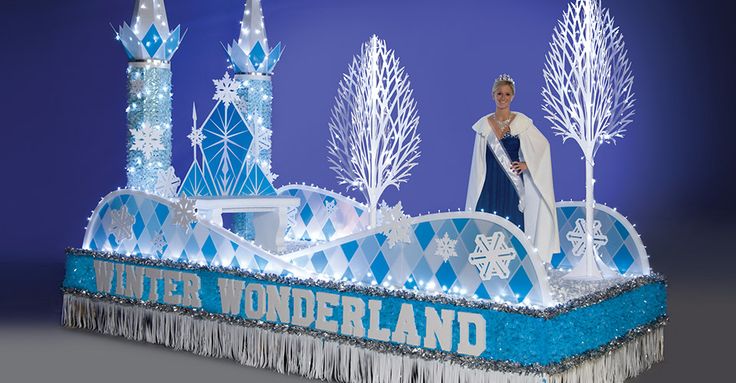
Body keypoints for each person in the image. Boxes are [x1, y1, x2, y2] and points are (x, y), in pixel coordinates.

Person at [465, 74, 560, 263]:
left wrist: (528, 164)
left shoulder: (521, 123)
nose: (503, 98)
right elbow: (479, 159)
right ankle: (486, 262)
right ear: (493, 95)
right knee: (488, 221)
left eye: (507, 94)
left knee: (513, 222)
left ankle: (516, 264)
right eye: (499, 93)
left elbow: (543, 147)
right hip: (489, 182)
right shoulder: (484, 125)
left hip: (512, 184)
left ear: (513, 97)